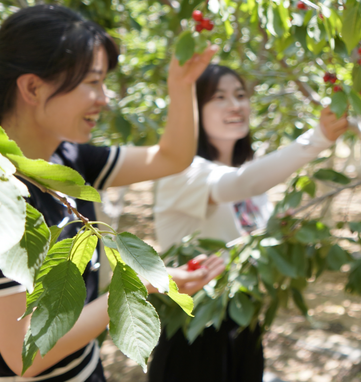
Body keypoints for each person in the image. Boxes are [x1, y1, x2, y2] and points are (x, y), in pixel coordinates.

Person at [0, 4, 223, 382]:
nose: (105, 98)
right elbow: (25, 355)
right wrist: (141, 286)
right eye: (92, 82)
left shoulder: (66, 158)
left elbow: (171, 157)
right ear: (33, 87)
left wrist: (181, 86)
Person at [148, 64, 349, 382]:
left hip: (243, 321)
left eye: (240, 95)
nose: (235, 105)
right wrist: (318, 138)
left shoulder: (249, 173)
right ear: (195, 109)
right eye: (220, 97)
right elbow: (240, 183)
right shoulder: (182, 172)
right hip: (193, 324)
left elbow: (251, 230)